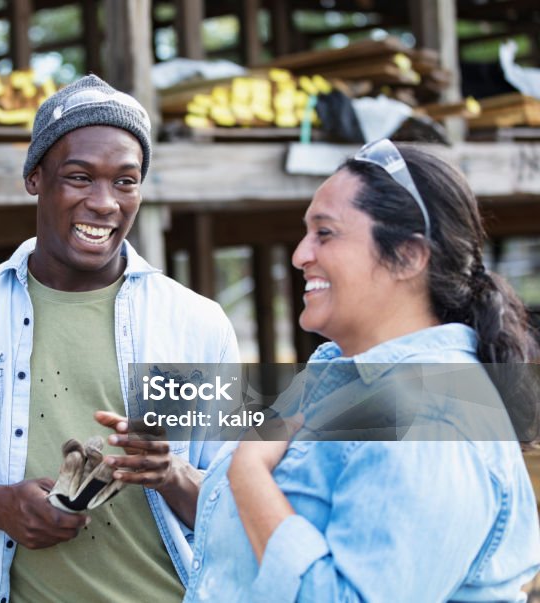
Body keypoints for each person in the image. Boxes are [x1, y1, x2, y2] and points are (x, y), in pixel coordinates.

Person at [0, 74, 239, 602]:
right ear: (35, 178)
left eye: (126, 181)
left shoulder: (196, 325)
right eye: (80, 177)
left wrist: (168, 472)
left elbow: (239, 513)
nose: (105, 203)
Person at [181, 140, 540, 601]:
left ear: (409, 257)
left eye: (325, 233)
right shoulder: (339, 380)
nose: (299, 255)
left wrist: (249, 473)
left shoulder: (432, 417)